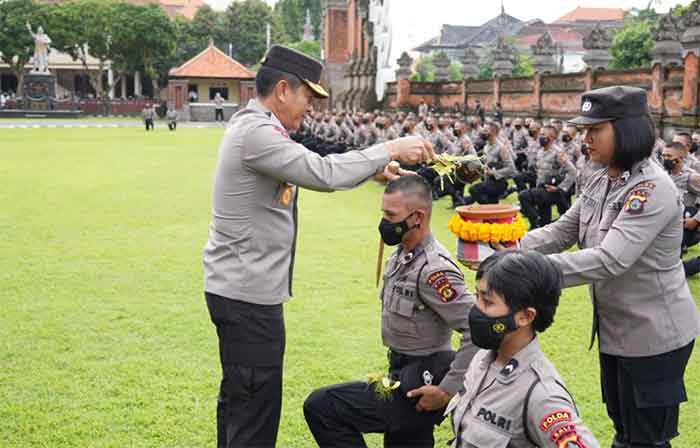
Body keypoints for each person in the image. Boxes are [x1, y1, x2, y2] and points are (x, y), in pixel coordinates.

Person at [203, 45, 435, 448]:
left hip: (245, 292)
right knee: (254, 410)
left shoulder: (260, 129)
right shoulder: (256, 133)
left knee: (243, 402)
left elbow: (313, 160)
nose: (308, 108)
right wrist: (390, 148)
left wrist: (372, 169)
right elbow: (322, 173)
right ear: (282, 90)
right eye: (307, 98)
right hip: (247, 298)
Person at [521, 86, 700, 448]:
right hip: (617, 328)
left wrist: (527, 272)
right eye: (585, 130)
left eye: (595, 130)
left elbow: (610, 259)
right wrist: (515, 248)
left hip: (653, 335)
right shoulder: (600, 177)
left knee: (645, 439)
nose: (585, 139)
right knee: (623, 427)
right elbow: (564, 229)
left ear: (628, 130)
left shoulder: (651, 189)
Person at [304, 176, 478, 447]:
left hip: (422, 379)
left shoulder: (435, 269)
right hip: (401, 369)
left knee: (323, 406)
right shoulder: (402, 253)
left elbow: (476, 327)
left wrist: (447, 390)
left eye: (390, 215)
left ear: (417, 216)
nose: (384, 222)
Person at [448, 250, 598, 447]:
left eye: (487, 301)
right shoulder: (483, 358)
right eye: (477, 296)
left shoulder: (542, 395)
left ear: (525, 316)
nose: (476, 309)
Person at [518, 125, 576, 229]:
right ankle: (541, 228)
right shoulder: (540, 151)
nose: (540, 137)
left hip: (551, 191)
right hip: (541, 189)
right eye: (540, 134)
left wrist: (560, 188)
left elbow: (573, 171)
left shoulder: (558, 153)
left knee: (524, 196)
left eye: (543, 134)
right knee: (545, 221)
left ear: (552, 137)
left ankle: (535, 223)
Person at [463, 121, 516, 205]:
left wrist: (493, 173)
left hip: (499, 183)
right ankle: (490, 210)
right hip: (488, 182)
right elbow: (484, 165)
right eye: (483, 130)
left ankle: (485, 207)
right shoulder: (486, 147)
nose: (483, 133)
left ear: (494, 132)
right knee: (493, 205)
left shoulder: (501, 148)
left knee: (473, 190)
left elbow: (511, 169)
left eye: (486, 131)